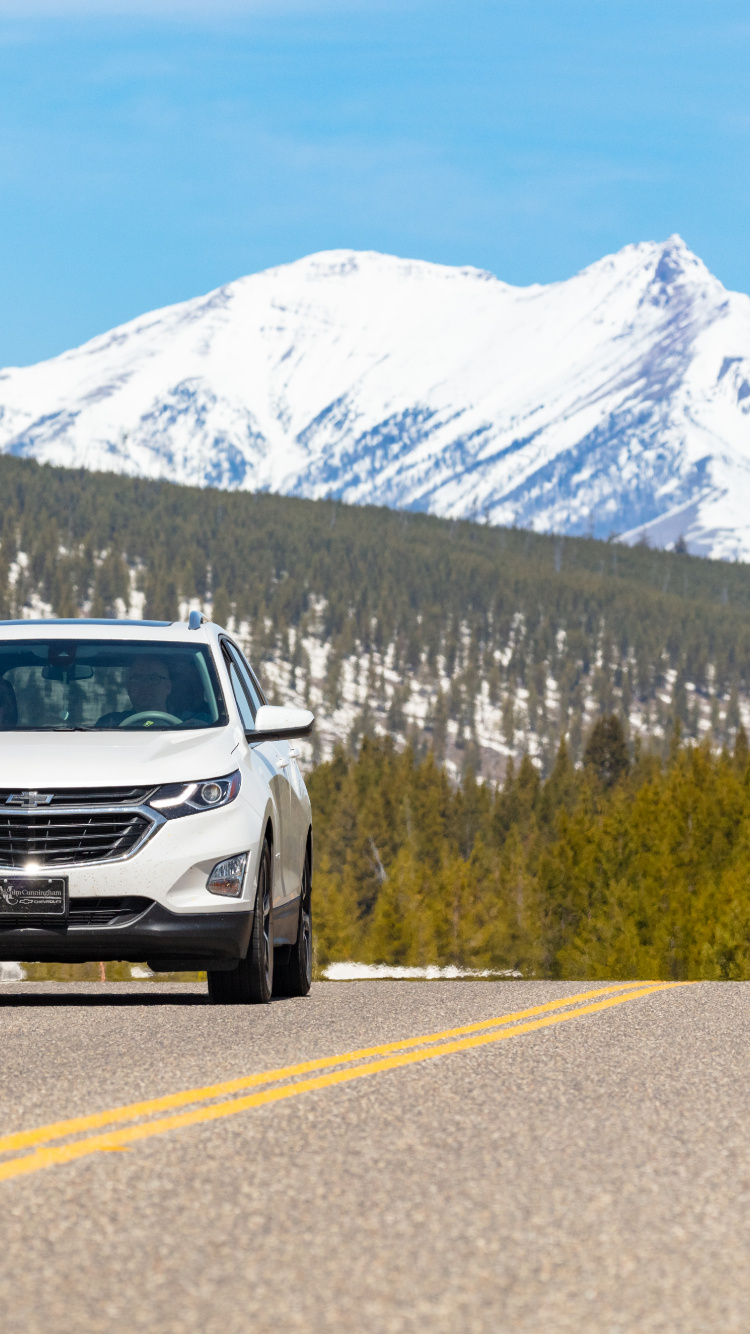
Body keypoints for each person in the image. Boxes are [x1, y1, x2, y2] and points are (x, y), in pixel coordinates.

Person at [96, 656, 174, 728]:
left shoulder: (185, 723)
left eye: (153, 679)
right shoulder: (109, 723)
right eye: (137, 679)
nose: (145, 685)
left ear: (168, 687)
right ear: (128, 688)